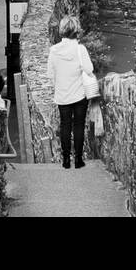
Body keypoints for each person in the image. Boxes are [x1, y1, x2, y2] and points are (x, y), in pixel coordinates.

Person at [46, 15, 95, 169]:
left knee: (65, 126)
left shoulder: (54, 50)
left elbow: (50, 74)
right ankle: (78, 160)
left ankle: (66, 160)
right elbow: (89, 69)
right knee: (78, 126)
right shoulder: (80, 49)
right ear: (76, 31)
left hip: (62, 95)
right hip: (79, 94)